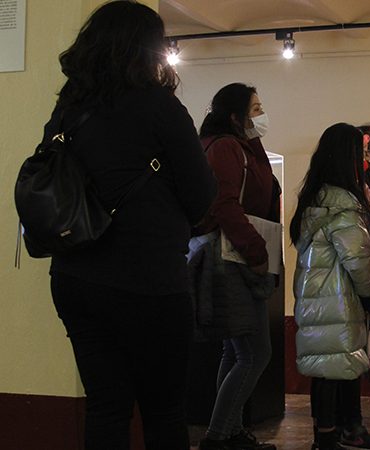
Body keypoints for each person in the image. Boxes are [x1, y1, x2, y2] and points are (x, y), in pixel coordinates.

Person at [44, 2, 217, 449]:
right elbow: (201, 196)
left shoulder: (68, 109)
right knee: (163, 413)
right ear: (150, 49)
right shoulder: (161, 108)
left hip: (76, 277)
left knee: (105, 407)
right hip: (150, 279)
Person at [192, 83, 280, 450]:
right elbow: (225, 205)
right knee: (256, 353)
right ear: (234, 115)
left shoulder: (239, 146)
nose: (262, 115)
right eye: (255, 109)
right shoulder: (226, 148)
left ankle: (228, 429)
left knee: (237, 351)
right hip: (232, 257)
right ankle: (218, 436)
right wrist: (257, 251)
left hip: (237, 254)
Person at [290, 123, 370, 450]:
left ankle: (337, 432)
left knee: (333, 367)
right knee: (335, 368)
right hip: (338, 297)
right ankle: (332, 436)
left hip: (318, 296)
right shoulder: (342, 203)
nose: (368, 158)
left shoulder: (315, 197)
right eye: (361, 153)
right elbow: (357, 259)